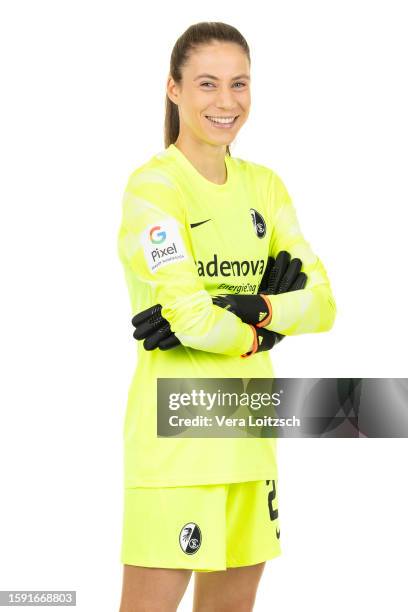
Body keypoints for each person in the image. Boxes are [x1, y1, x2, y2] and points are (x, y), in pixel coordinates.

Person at [117, 21, 337, 612]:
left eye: (239, 84)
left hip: (250, 428)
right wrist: (266, 331)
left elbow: (322, 300)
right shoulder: (154, 189)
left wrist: (258, 309)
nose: (226, 101)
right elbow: (187, 316)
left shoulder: (266, 187)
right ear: (174, 89)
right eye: (207, 83)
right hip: (177, 439)